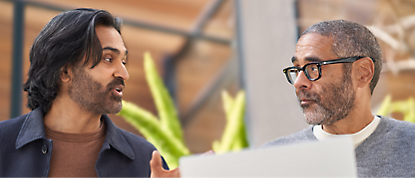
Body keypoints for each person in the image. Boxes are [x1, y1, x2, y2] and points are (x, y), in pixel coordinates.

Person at [0, 8, 178, 178]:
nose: (124, 74)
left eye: (123, 61)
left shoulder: (145, 159)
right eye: (108, 59)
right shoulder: (3, 143)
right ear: (65, 72)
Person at [263, 20, 415, 177]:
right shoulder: (271, 160)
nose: (298, 83)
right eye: (297, 69)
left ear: (363, 72)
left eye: (314, 68)